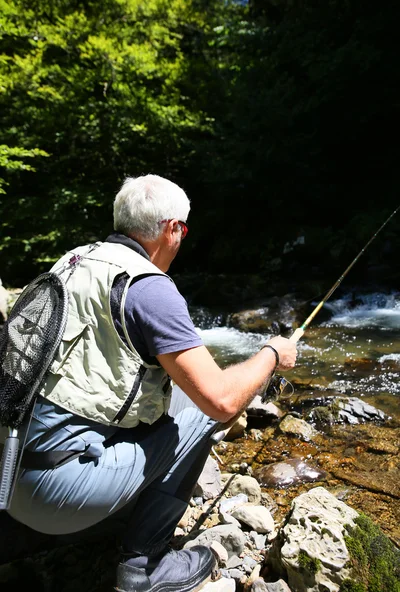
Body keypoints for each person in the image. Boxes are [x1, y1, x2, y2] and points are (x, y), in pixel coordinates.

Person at [5, 174, 297, 592]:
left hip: (9, 472)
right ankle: (145, 565)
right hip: (52, 497)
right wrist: (271, 355)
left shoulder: (73, 261)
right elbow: (222, 401)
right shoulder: (149, 289)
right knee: (199, 412)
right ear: (172, 228)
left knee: (178, 395)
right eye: (184, 229)